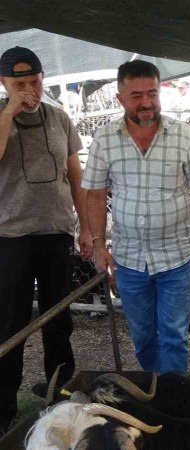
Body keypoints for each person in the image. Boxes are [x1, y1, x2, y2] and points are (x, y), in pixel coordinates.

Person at [83, 60, 190, 376]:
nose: (146, 103)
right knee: (143, 337)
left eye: (152, 94)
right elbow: (96, 195)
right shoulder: (104, 139)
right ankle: (158, 387)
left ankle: (173, 398)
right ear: (120, 99)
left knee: (173, 336)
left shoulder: (184, 136)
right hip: (129, 259)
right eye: (136, 96)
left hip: (176, 256)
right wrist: (99, 245)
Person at [0, 46, 90, 434]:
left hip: (56, 232)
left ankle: (59, 395)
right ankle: (4, 407)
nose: (30, 91)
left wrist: (87, 227)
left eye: (35, 82)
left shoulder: (59, 118)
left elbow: (76, 177)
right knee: (11, 322)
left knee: (59, 319)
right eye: (19, 84)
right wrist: (9, 111)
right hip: (11, 236)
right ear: (4, 83)